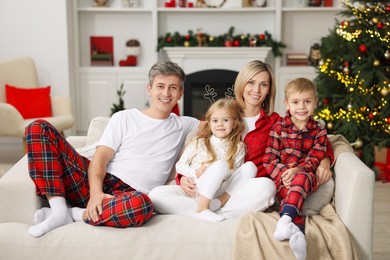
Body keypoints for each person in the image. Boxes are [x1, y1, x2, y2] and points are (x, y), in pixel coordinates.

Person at [25, 60, 200, 237]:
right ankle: (59, 209)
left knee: (144, 205)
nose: (166, 93)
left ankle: (72, 214)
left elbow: (223, 121)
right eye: (160, 86)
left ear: (180, 93)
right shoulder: (124, 118)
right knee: (38, 127)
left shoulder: (185, 124)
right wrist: (96, 194)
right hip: (95, 183)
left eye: (173, 88)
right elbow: (99, 160)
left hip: (129, 197)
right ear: (149, 89)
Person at [170, 60, 333, 219]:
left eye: (264, 84)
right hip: (214, 185)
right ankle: (207, 207)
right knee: (159, 195)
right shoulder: (223, 114)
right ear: (242, 84)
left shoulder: (276, 122)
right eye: (251, 82)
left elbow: (315, 137)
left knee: (267, 187)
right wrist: (183, 178)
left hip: (247, 189)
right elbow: (200, 145)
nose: (257, 89)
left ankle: (217, 212)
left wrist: (324, 161)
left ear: (269, 89)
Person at [150, 98, 258, 222]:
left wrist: (224, 174)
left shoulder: (239, 147)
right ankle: (204, 209)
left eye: (226, 120)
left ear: (234, 123)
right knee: (155, 195)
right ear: (209, 123)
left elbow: (236, 178)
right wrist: (194, 172)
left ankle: (213, 205)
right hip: (196, 188)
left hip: (220, 191)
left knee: (249, 167)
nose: (220, 124)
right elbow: (180, 165)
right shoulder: (199, 142)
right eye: (215, 121)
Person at [263, 78, 333, 260]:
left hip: (307, 178)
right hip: (284, 180)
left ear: (315, 103)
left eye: (307, 102)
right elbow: (269, 159)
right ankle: (298, 235)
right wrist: (284, 174)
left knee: (301, 179)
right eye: (295, 102)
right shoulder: (278, 128)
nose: (301, 107)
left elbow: (316, 156)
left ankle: (285, 219)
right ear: (286, 103)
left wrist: (298, 170)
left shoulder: (319, 130)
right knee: (293, 193)